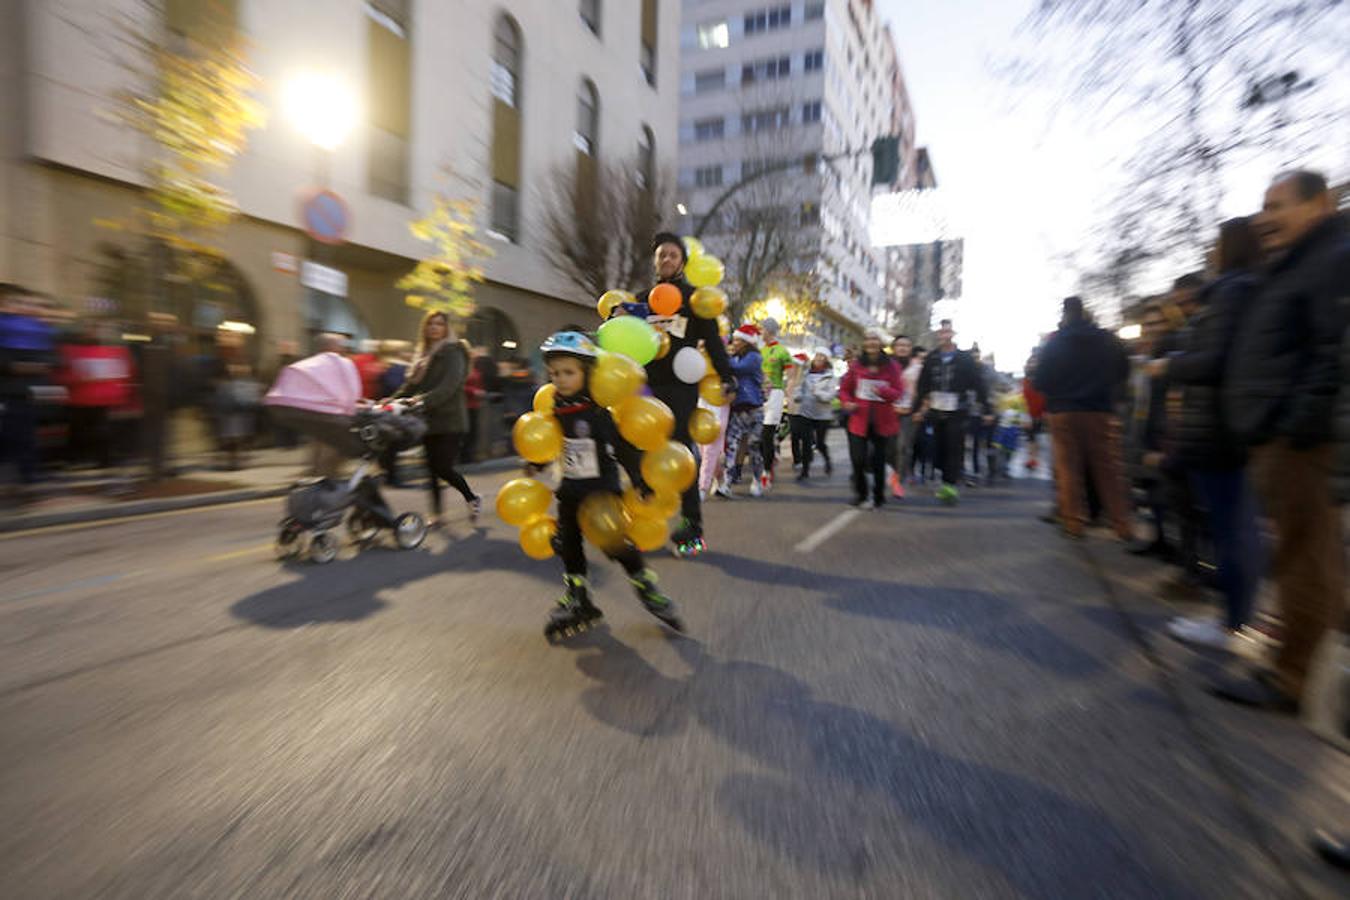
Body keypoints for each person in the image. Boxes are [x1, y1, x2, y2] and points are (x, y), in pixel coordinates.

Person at [1213, 169, 1349, 713]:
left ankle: (1290, 679)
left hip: (1298, 440)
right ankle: (1302, 665)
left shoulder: (1332, 258)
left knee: (1302, 556)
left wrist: (1296, 425)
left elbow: (1333, 352)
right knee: (1306, 554)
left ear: (1319, 204)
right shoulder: (1301, 261)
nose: (1265, 219)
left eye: (1277, 205)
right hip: (1280, 434)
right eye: (1262, 207)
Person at [1151, 218, 1266, 650]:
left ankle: (1234, 624)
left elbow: (1213, 360)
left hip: (1220, 428)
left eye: (1216, 244)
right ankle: (1239, 617)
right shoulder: (1250, 287)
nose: (1210, 252)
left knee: (1231, 526)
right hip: (1230, 425)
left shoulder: (1231, 291)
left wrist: (1170, 364)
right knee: (1236, 525)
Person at [534, 331, 684, 640]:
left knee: (613, 541)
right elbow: (550, 444)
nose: (560, 379)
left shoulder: (596, 411)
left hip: (601, 489)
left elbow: (624, 446)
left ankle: (645, 583)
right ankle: (578, 594)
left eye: (568, 372)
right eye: (555, 373)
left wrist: (640, 480)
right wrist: (539, 460)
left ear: (587, 373)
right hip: (571, 490)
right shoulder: (555, 409)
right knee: (569, 543)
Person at [635, 233, 734, 556]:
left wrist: (727, 375)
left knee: (680, 454)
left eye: (673, 255)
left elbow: (715, 345)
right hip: (644, 388)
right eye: (661, 254)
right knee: (640, 452)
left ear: (682, 262)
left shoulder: (694, 301)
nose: (666, 260)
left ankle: (693, 530)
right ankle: (644, 521)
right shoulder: (641, 300)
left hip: (680, 388)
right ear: (655, 260)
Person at [1033, 297, 1133, 540]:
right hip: (1099, 410)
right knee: (1108, 468)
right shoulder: (1108, 340)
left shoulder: (1054, 344)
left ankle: (1073, 523)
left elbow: (1040, 380)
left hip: (1064, 411)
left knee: (1068, 469)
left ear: (1065, 314)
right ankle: (1122, 524)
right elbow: (1124, 370)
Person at [391, 311, 481, 529]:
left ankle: (471, 497)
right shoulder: (423, 354)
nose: (434, 327)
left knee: (442, 466)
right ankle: (437, 514)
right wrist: (390, 400)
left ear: (446, 328)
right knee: (431, 469)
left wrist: (421, 401)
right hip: (429, 419)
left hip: (450, 419)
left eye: (439, 324)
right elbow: (411, 386)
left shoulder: (454, 351)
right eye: (430, 323)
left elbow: (450, 386)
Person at [913, 319, 987, 502]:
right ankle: (945, 475)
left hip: (958, 410)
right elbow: (923, 384)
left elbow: (978, 383)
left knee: (954, 446)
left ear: (953, 334)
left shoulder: (964, 358)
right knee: (938, 447)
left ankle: (950, 485)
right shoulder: (932, 358)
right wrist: (917, 408)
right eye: (942, 332)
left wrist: (985, 407)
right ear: (938, 335)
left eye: (948, 332)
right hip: (936, 410)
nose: (945, 335)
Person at [0, 284, 58, 496]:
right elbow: (7, 364)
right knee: (11, 435)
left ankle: (28, 474)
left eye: (25, 303)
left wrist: (25, 367)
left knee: (25, 434)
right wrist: (29, 367)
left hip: (26, 392)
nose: (23, 307)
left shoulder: (32, 330)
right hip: (8, 392)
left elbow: (50, 360)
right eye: (17, 303)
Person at [839, 328, 903, 509]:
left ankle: (879, 495)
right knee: (858, 460)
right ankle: (861, 493)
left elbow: (898, 392)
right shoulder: (857, 366)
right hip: (859, 420)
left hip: (882, 421)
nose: (871, 343)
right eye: (868, 339)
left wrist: (882, 391)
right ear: (864, 343)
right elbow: (844, 390)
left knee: (878, 461)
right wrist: (848, 402)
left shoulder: (892, 366)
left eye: (875, 339)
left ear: (881, 343)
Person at [720, 324, 767, 498]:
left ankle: (756, 480)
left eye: (739, 340)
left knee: (754, 447)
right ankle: (727, 483)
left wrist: (721, 357)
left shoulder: (754, 357)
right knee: (731, 447)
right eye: (735, 339)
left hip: (754, 409)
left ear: (747, 342)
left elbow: (738, 369)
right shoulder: (735, 358)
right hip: (738, 410)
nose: (735, 342)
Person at [757, 317, 795, 492]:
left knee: (767, 434)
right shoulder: (759, 351)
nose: (760, 332)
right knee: (758, 436)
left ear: (770, 331)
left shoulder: (782, 351)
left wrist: (790, 393)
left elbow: (791, 376)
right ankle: (770, 459)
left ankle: (766, 472)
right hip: (759, 396)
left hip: (776, 395)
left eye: (762, 329)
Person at [792, 348, 836, 481]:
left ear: (826, 360)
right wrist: (797, 395)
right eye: (817, 355)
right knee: (806, 443)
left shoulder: (830, 376)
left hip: (823, 415)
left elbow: (830, 395)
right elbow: (799, 387)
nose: (819, 358)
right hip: (806, 412)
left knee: (820, 443)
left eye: (822, 356)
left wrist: (819, 393)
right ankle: (805, 471)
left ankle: (827, 460)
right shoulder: (806, 373)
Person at [886, 334, 918, 499]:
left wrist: (920, 409)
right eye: (900, 345)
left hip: (908, 413)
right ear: (894, 347)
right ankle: (892, 470)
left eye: (906, 345)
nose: (903, 348)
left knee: (903, 447)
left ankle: (897, 480)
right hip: (887, 412)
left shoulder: (917, 367)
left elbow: (923, 389)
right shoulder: (886, 365)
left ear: (910, 349)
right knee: (888, 447)